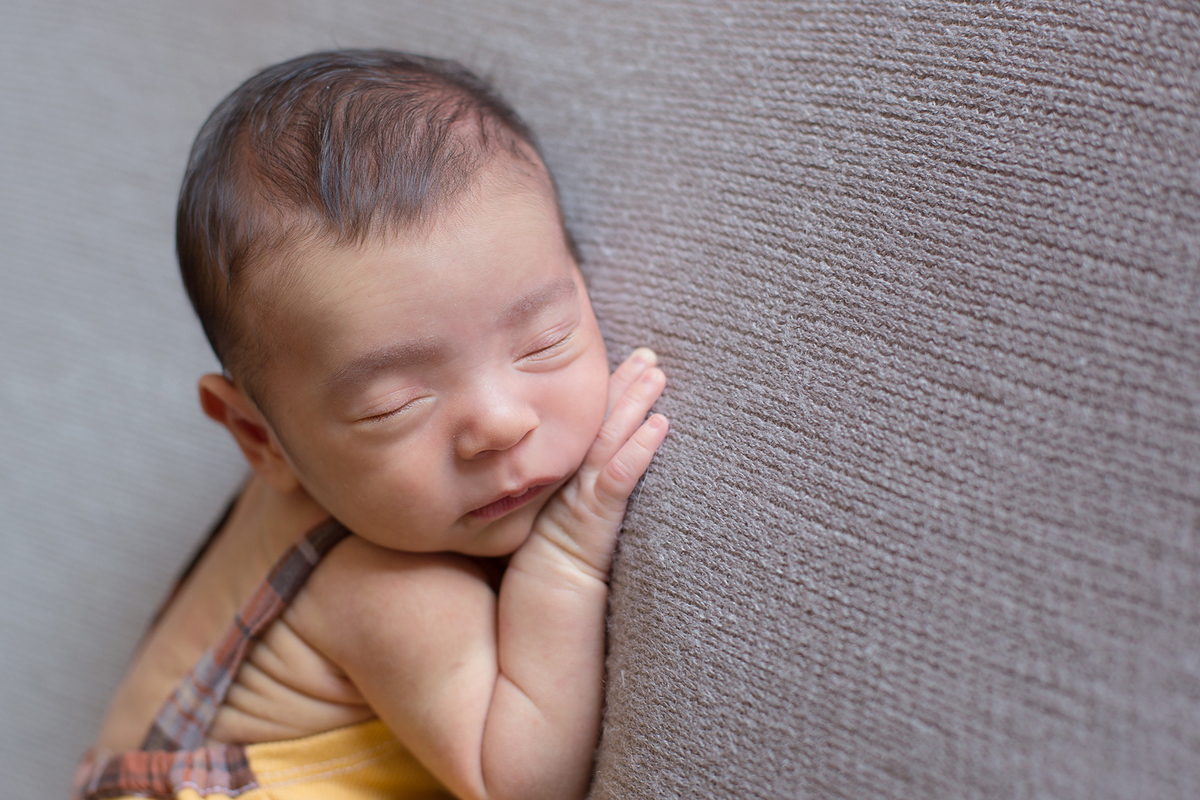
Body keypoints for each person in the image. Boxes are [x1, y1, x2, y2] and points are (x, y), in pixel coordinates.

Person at [73, 49, 668, 800]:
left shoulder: (349, 478)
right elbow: (522, 782)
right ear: (260, 437)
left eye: (544, 339)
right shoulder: (380, 588)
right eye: (392, 406)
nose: (498, 422)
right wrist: (566, 561)